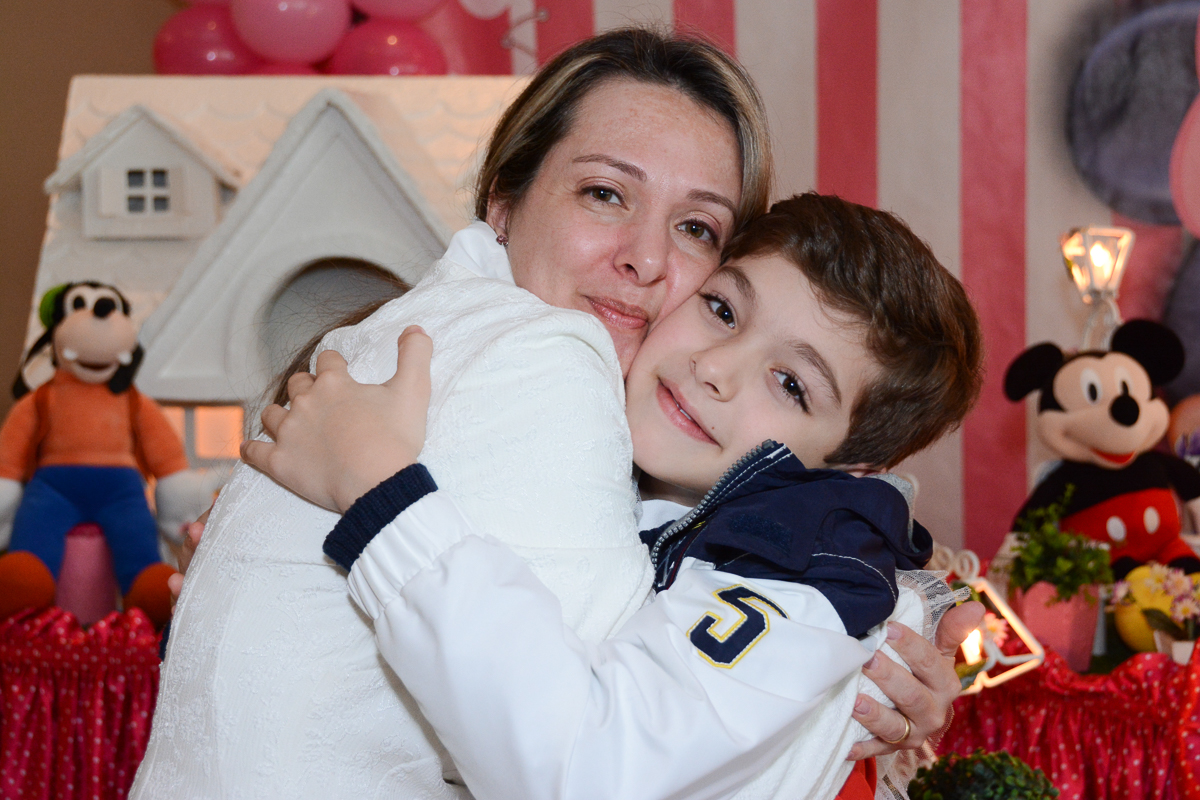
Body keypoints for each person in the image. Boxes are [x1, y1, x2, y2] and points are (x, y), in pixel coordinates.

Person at [138, 28, 977, 800]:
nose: (645, 258)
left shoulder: (435, 341)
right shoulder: (550, 360)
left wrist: (854, 657)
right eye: (606, 194)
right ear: (502, 197)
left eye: (693, 226)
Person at [245, 193, 983, 800]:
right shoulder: (629, 477)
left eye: (791, 385)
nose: (715, 366)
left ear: (849, 469)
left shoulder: (797, 566)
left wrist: (384, 503)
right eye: (724, 310)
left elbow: (593, 770)